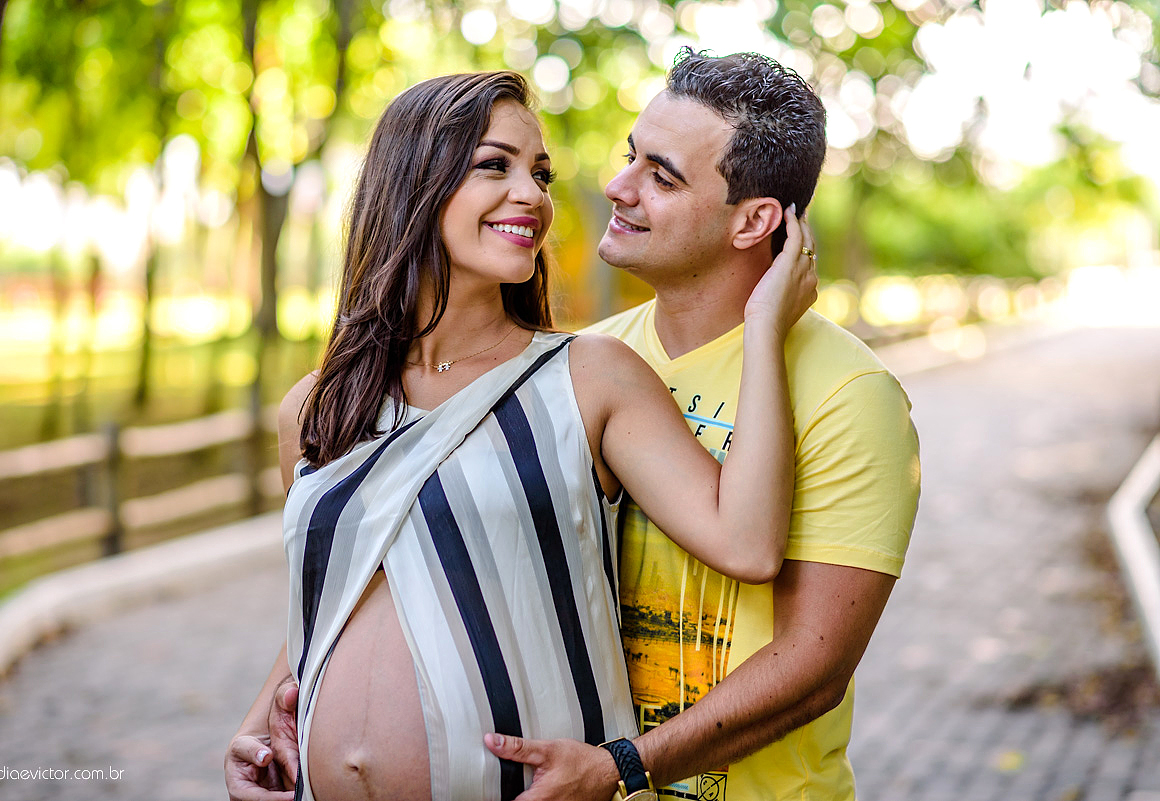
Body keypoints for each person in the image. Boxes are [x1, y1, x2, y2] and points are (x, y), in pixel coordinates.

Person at [225, 69, 818, 801]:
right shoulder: (316, 410)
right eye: (495, 166)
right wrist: (256, 728)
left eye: (540, 173)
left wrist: (765, 325)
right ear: (413, 181)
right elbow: (331, 599)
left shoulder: (589, 377)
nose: (533, 195)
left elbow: (748, 541)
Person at [481, 49, 921, 801]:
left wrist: (624, 764)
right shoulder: (591, 361)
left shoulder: (851, 392)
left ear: (753, 221)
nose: (618, 188)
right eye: (630, 159)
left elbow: (812, 666)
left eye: (662, 175)